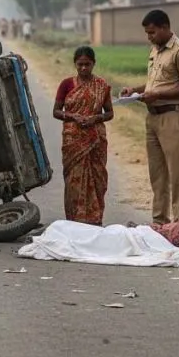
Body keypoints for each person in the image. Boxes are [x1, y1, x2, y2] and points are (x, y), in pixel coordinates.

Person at [119, 9, 179, 224]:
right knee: (157, 174)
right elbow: (156, 83)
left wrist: (157, 94)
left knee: (177, 174)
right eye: (147, 33)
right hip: (152, 117)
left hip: (172, 117)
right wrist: (135, 90)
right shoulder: (155, 50)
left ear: (164, 27)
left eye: (152, 32)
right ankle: (160, 222)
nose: (149, 37)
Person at [52, 46, 114, 225]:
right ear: (75, 64)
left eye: (87, 64)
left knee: (98, 178)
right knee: (74, 181)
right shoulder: (67, 84)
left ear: (94, 64)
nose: (84, 68)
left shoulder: (101, 85)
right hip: (73, 139)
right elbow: (56, 111)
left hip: (96, 139)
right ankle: (75, 221)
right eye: (80, 65)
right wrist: (73, 116)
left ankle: (94, 220)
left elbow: (109, 113)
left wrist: (95, 118)